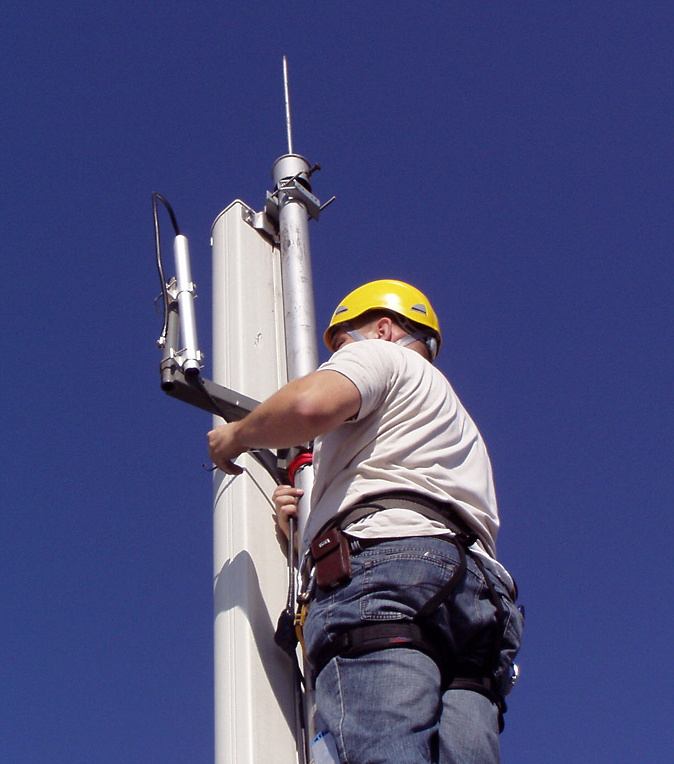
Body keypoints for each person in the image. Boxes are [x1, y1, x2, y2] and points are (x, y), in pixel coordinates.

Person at [208, 279, 523, 764]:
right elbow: (410, 495)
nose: (339, 357)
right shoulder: (456, 425)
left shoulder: (382, 356)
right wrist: (307, 530)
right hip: (481, 601)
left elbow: (310, 405)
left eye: (341, 346)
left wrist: (238, 435)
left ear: (384, 329)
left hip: (393, 574)